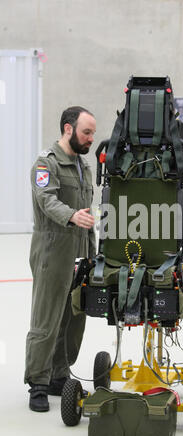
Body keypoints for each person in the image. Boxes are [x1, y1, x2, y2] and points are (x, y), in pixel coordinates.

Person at [24, 106, 97, 412]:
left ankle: (59, 373)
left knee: (74, 317)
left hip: (81, 251)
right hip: (54, 250)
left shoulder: (82, 165)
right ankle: (38, 383)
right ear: (68, 129)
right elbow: (46, 199)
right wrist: (71, 216)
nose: (91, 138)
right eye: (86, 132)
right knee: (47, 319)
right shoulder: (47, 162)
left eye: (92, 133)